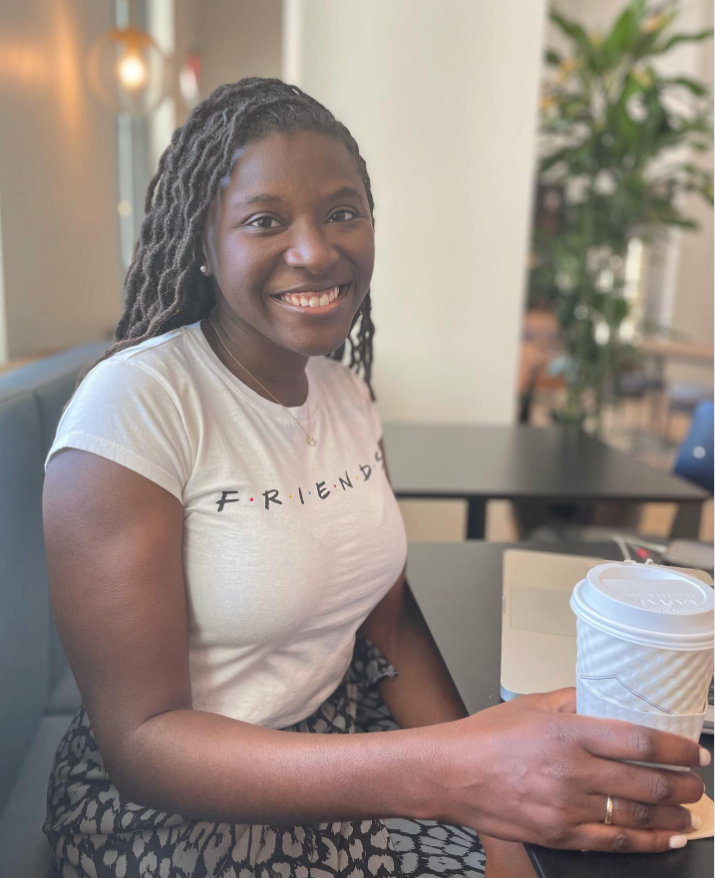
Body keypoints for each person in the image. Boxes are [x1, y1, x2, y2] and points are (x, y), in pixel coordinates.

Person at [42, 77, 707, 878]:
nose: (316, 250)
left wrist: (497, 823)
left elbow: (388, 631)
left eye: (342, 212)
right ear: (203, 247)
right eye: (264, 221)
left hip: (341, 735)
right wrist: (459, 773)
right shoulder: (135, 406)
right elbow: (143, 745)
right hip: (178, 810)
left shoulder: (345, 392)